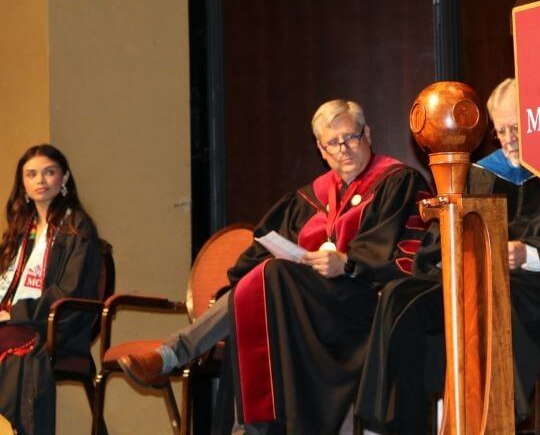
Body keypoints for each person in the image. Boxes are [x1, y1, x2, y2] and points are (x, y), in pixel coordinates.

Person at [118, 99, 432, 435]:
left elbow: (402, 258)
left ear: (367, 134)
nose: (344, 149)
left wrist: (347, 263)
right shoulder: (309, 198)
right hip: (302, 306)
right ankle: (183, 366)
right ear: (321, 149)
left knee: (270, 277)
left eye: (351, 138)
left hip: (361, 303)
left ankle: (172, 354)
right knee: (258, 284)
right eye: (333, 143)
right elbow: (257, 253)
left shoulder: (398, 183)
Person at [356, 78, 540, 435]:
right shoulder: (481, 173)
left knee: (486, 300)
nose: (509, 139)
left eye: (517, 127)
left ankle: (488, 418)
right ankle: (391, 425)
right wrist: (455, 253)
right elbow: (434, 244)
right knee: (400, 296)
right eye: (501, 130)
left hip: (534, 285)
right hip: (473, 277)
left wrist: (528, 254)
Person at [0, 145, 103, 434]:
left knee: (14, 350)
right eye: (31, 174)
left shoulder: (77, 227)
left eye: (49, 172)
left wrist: (15, 314)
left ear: (65, 178)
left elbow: (69, 291)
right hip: (13, 319)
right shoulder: (21, 228)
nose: (40, 180)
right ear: (23, 184)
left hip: (55, 324)